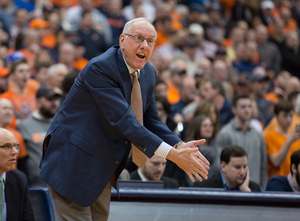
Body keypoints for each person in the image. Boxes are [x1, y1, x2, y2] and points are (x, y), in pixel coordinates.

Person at [39, 18, 210, 220]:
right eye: (138, 38)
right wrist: (171, 154)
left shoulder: (148, 73)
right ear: (122, 40)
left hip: (101, 165)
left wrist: (179, 145)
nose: (144, 45)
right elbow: (126, 122)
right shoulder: (100, 68)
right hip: (72, 162)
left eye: (150, 41)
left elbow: (151, 119)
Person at [215, 95, 268, 188]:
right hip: (231, 188)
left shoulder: (258, 135)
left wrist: (263, 188)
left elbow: (263, 165)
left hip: (255, 187)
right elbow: (219, 164)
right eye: (243, 107)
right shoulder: (225, 134)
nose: (247, 110)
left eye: (249, 106)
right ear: (234, 109)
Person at [16, 87, 61, 188]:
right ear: (38, 101)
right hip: (36, 186)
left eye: (56, 99)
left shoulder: (63, 123)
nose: (54, 103)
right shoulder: (23, 127)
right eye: (49, 99)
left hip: (60, 184)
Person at [0, 128, 34, 220]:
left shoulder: (19, 178)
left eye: (15, 146)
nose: (15, 152)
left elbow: (27, 218)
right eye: (7, 146)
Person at [193, 145, 261, 192]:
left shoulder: (253, 189)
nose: (242, 172)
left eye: (244, 167)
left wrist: (246, 192)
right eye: (237, 167)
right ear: (223, 166)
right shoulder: (203, 188)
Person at [264, 101, 300, 179]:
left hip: (295, 181)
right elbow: (276, 162)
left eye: (291, 116)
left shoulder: (296, 137)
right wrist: (289, 141)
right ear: (276, 116)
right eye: (285, 116)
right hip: (278, 181)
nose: (289, 119)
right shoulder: (269, 136)